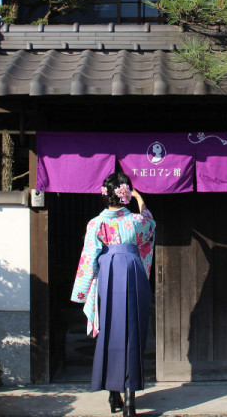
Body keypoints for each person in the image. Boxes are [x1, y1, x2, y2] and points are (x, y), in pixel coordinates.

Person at [71, 172, 155, 417]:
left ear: (105, 196)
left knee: (109, 331)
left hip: (108, 272)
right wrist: (140, 198)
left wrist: (82, 291)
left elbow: (89, 258)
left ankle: (112, 394)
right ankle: (130, 402)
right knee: (133, 333)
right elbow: (151, 225)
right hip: (133, 270)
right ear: (125, 195)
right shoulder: (137, 221)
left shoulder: (96, 223)